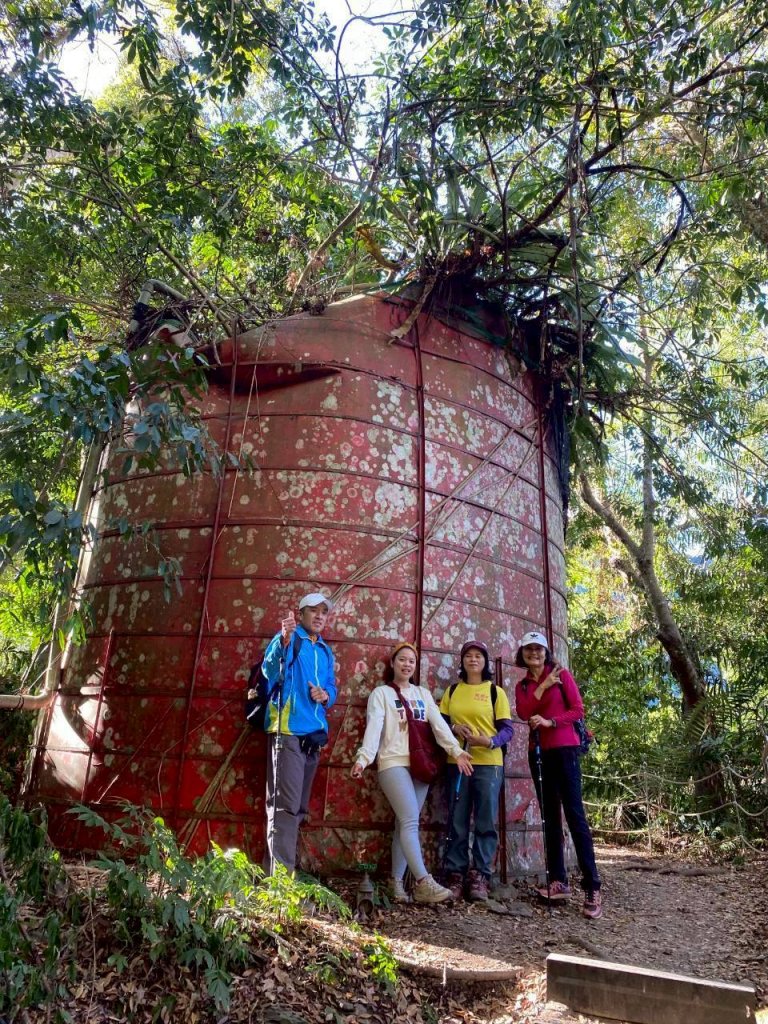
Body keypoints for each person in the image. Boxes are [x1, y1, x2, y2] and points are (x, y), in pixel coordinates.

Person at [351, 641, 473, 904]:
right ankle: (423, 882)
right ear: (393, 663)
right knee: (409, 821)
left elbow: (439, 726)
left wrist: (456, 751)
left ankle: (396, 883)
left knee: (403, 825)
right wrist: (363, 758)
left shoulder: (422, 694)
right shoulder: (381, 693)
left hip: (421, 764)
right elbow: (374, 728)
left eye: (412, 661)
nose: (407, 664)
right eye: (402, 659)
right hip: (392, 762)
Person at [514, 630, 602, 919]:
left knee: (575, 816)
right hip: (538, 753)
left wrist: (551, 721)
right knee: (549, 817)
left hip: (565, 750)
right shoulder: (523, 685)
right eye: (529, 650)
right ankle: (558, 881)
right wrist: (541, 689)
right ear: (523, 654)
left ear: (546, 652)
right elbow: (525, 712)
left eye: (539, 649)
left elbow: (577, 710)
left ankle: (592, 887)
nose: (535, 654)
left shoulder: (562, 675)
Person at [262, 592, 336, 874]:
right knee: (284, 807)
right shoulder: (290, 638)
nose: (319, 616)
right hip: (288, 731)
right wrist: (281, 640)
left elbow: (332, 686)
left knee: (298, 808)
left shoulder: (325, 650)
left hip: (313, 737)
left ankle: (282, 872)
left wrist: (326, 695)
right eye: (313, 611)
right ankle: (279, 881)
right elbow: (270, 671)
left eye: (323, 612)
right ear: (301, 614)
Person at [439, 640, 515, 901]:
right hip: (458, 761)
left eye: (478, 656)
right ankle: (456, 874)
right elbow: (441, 723)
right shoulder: (452, 691)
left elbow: (508, 729)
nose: (473, 660)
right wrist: (454, 729)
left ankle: (481, 874)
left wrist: (489, 741)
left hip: (489, 764)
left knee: (485, 820)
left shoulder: (496, 692)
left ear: (485, 662)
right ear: (462, 661)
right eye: (468, 656)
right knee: (457, 820)